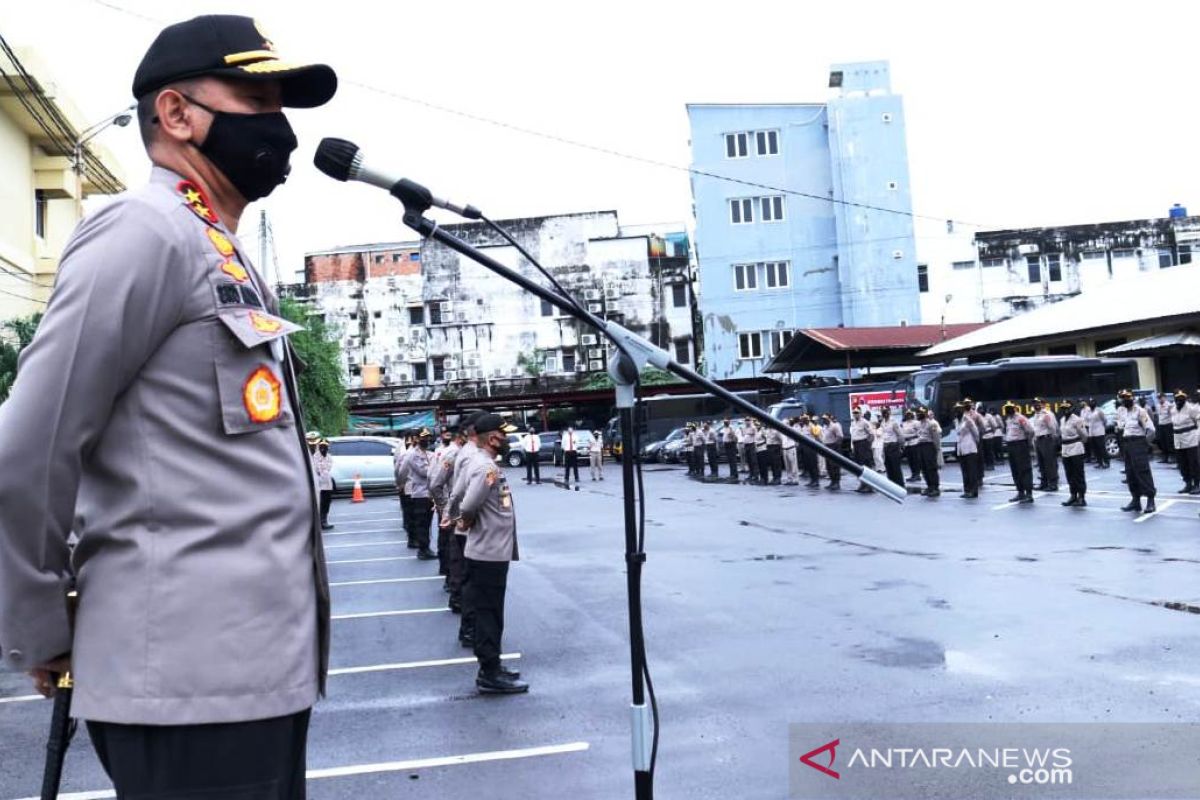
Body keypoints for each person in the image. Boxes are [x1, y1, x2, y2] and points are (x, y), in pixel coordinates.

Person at [0, 15, 337, 798]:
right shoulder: (142, 231)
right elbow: (31, 445)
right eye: (255, 98)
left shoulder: (214, 244)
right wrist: (42, 628)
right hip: (186, 681)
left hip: (252, 674)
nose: (277, 126)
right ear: (178, 115)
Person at [457, 413, 528, 694]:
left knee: (492, 612)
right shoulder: (486, 468)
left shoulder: (488, 465)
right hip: (487, 552)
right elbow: (469, 503)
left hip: (490, 551)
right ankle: (489, 672)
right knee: (488, 613)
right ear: (492, 437)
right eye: (504, 433)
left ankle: (493, 665)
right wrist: (466, 519)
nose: (508, 438)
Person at [430, 428, 462, 583]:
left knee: (452, 545)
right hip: (452, 505)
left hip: (454, 505)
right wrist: (443, 506)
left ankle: (449, 574)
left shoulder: (463, 454)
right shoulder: (450, 454)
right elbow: (434, 480)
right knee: (451, 545)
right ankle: (450, 578)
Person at [400, 428, 437, 560]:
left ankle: (426, 547)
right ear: (416, 438)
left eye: (427, 437)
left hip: (430, 493)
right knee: (421, 523)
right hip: (420, 493)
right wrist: (435, 470)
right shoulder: (412, 455)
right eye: (422, 437)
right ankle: (423, 549)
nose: (426, 440)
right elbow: (424, 472)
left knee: (427, 523)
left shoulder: (430, 454)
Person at [1118, 389, 1157, 513]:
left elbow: (1151, 430)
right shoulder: (1122, 412)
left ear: (1132, 398)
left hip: (1138, 443)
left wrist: (1145, 443)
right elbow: (1120, 427)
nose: (1125, 400)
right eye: (1123, 398)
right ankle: (1136, 500)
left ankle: (1151, 500)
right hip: (1127, 444)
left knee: (1142, 472)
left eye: (1127, 397)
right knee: (1130, 473)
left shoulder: (1140, 411)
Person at [1002, 401, 1035, 503]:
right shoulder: (1008, 420)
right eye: (1006, 408)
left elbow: (1030, 431)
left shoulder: (1021, 418)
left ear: (1014, 408)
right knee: (1015, 470)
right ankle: (1020, 492)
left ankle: (1029, 494)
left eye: (1010, 408)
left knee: (1024, 469)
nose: (1008, 410)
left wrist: (1027, 442)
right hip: (1011, 446)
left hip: (1020, 445)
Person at [1059, 401, 1089, 507]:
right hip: (1065, 449)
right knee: (1069, 474)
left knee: (1078, 474)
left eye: (1067, 408)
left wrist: (1078, 443)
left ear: (1071, 408)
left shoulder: (1077, 420)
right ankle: (1073, 495)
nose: (1065, 410)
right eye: (1063, 408)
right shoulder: (1062, 420)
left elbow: (1084, 435)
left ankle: (1081, 497)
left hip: (1076, 448)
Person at [1171, 390, 1200, 494]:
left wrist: (1197, 436)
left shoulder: (1191, 408)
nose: (1179, 399)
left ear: (1185, 397)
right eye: (1177, 397)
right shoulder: (1173, 409)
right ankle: (1188, 483)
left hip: (1190, 438)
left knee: (1193, 463)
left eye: (1181, 397)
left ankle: (1197, 484)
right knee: (1182, 463)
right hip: (1178, 439)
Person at [1030, 398, 1060, 491]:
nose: (1036, 405)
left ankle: (1053, 484)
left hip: (1046, 439)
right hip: (1038, 440)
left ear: (1042, 404)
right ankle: (1044, 483)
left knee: (1049, 462)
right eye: (1034, 403)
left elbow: (1053, 427)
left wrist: (1052, 438)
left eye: (1038, 403)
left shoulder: (1047, 414)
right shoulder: (1035, 415)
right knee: (1041, 463)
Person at [955, 402, 982, 499]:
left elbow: (975, 431)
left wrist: (975, 442)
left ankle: (973, 491)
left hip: (969, 447)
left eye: (959, 409)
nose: (957, 411)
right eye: (956, 409)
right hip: (961, 448)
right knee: (965, 471)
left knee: (972, 471)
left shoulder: (968, 419)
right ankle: (967, 490)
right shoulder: (957, 421)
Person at [915, 407, 942, 497]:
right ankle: (929, 486)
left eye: (919, 414)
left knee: (931, 468)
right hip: (920, 446)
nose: (917, 415)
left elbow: (936, 437)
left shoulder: (931, 424)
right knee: (924, 468)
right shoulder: (918, 424)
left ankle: (935, 487)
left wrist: (937, 449)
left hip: (928, 446)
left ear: (924, 414)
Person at [849, 406, 874, 493]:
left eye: (857, 413)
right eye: (854, 413)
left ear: (860, 413)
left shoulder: (865, 422)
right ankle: (862, 484)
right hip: (856, 445)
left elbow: (871, 434)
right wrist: (852, 447)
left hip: (863, 444)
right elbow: (853, 436)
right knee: (859, 466)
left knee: (866, 465)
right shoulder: (853, 423)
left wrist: (868, 445)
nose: (855, 414)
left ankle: (869, 486)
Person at [879, 407, 905, 487]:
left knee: (895, 467)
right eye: (883, 412)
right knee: (888, 467)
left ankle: (900, 485)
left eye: (886, 412)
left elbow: (900, 435)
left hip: (893, 446)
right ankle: (892, 485)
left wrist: (901, 446)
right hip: (886, 446)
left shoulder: (893, 422)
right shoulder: (882, 422)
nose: (885, 414)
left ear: (889, 412)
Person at [315, 438, 335, 530]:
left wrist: (323, 469)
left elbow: (328, 468)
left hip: (327, 483)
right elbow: (318, 469)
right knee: (319, 502)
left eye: (325, 447)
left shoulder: (329, 457)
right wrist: (323, 469)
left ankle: (324, 521)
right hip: (318, 484)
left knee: (326, 503)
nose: (324, 448)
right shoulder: (315, 456)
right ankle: (318, 522)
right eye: (322, 446)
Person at [820, 414, 844, 490]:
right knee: (829, 466)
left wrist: (835, 446)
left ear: (829, 419)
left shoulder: (835, 426)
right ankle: (832, 481)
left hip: (833, 447)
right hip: (826, 447)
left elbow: (840, 437)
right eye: (823, 419)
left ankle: (837, 483)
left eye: (825, 419)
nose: (824, 420)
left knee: (835, 465)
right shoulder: (824, 427)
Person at [1084, 398, 1109, 468]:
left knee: (1102, 448)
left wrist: (1102, 427)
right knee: (1095, 449)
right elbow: (1086, 420)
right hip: (1091, 433)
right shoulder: (1088, 411)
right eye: (1090, 402)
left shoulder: (1099, 410)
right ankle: (1099, 462)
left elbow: (1104, 420)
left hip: (1099, 432)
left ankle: (1106, 462)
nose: (1091, 403)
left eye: (1093, 402)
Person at [901, 409, 921, 482]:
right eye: (907, 414)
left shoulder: (916, 423)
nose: (908, 416)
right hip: (907, 444)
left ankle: (917, 474)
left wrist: (911, 436)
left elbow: (919, 433)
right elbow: (902, 432)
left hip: (914, 442)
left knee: (915, 460)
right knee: (910, 460)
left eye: (909, 414)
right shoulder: (904, 423)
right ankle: (913, 474)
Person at [1156, 392, 1175, 464]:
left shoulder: (1169, 405)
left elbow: (1172, 415)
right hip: (1161, 425)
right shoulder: (1158, 405)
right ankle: (1165, 457)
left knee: (1169, 441)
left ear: (1164, 397)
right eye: (1158, 398)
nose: (1160, 399)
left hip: (1168, 425)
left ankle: (1171, 457)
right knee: (1162, 441)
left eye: (1161, 397)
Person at [781, 418, 801, 485]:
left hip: (791, 448)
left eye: (785, 423)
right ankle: (789, 479)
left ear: (788, 423)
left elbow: (797, 438)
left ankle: (795, 479)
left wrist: (796, 445)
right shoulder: (782, 431)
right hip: (784, 448)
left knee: (793, 465)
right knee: (787, 466)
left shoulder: (792, 430)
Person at [562, 425, 581, 490]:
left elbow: (577, 443)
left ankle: (577, 478)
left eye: (571, 430)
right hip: (567, 452)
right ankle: (566, 478)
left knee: (575, 465)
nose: (570, 431)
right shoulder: (565, 436)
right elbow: (563, 444)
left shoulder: (575, 436)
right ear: (567, 430)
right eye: (569, 430)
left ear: (572, 430)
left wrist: (575, 447)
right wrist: (566, 449)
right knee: (567, 466)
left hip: (573, 451)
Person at [740, 418, 759, 484]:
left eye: (748, 421)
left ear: (750, 421)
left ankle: (756, 475)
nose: (747, 422)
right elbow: (743, 436)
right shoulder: (743, 428)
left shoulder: (753, 427)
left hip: (752, 444)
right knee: (748, 461)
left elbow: (756, 436)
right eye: (746, 421)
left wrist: (756, 445)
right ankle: (751, 474)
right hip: (746, 445)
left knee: (753, 461)